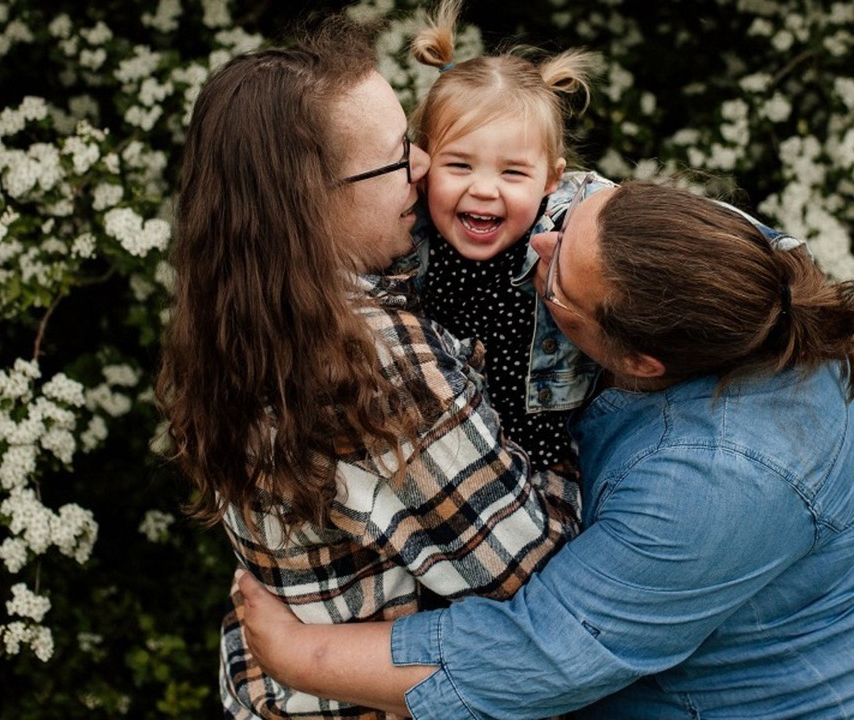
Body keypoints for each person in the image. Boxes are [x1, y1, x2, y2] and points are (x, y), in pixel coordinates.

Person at [235, 177, 854, 718]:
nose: (541, 245)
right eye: (571, 217)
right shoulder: (724, 255)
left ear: (641, 362)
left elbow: (542, 654)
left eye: (555, 280)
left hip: (824, 697)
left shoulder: (719, 479)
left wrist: (302, 658)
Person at [155, 16, 582, 720]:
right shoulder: (373, 355)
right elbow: (539, 579)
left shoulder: (244, 314)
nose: (424, 165)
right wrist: (575, 441)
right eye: (396, 157)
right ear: (311, 203)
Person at [409, 0, 606, 470]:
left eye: (513, 172)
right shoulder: (404, 234)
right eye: (458, 165)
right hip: (448, 460)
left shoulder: (565, 227)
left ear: (550, 179)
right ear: (423, 162)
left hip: (550, 461)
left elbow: (647, 223)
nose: (483, 188)